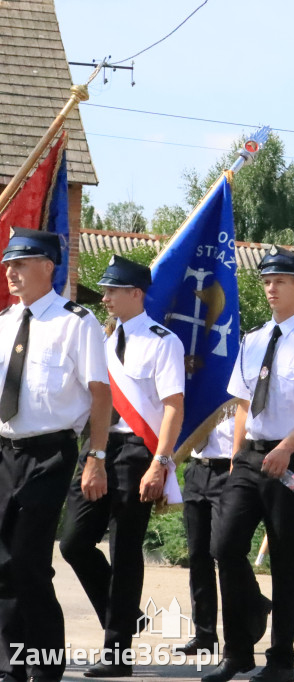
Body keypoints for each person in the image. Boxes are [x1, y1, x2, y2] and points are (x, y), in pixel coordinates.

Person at [203, 247, 294, 682]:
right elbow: (244, 403)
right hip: (250, 457)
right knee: (223, 547)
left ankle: (280, 660)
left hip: (293, 458)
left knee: (283, 558)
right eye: (266, 281)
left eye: (280, 281)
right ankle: (238, 649)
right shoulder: (254, 338)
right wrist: (235, 456)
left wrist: (287, 447)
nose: (271, 288)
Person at [60, 256, 185, 678]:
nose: (106, 298)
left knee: (125, 549)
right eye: (105, 291)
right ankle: (127, 615)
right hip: (96, 447)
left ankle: (117, 651)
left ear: (136, 293)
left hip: (136, 451)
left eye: (113, 291)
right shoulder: (99, 338)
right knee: (74, 543)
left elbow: (172, 407)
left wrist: (160, 463)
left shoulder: (162, 340)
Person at [0, 229, 109, 682]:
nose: (10, 272)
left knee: (26, 558)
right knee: (2, 562)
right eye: (8, 265)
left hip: (50, 452)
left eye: (20, 264)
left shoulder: (76, 321)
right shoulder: (4, 321)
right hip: (5, 451)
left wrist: (96, 456)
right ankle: (11, 664)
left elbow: (100, 397)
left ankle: (45, 666)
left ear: (48, 266)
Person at [177, 405, 237, 657]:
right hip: (197, 468)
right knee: (198, 555)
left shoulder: (239, 379)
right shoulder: (202, 378)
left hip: (229, 471)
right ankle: (204, 634)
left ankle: (239, 631)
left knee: (225, 552)